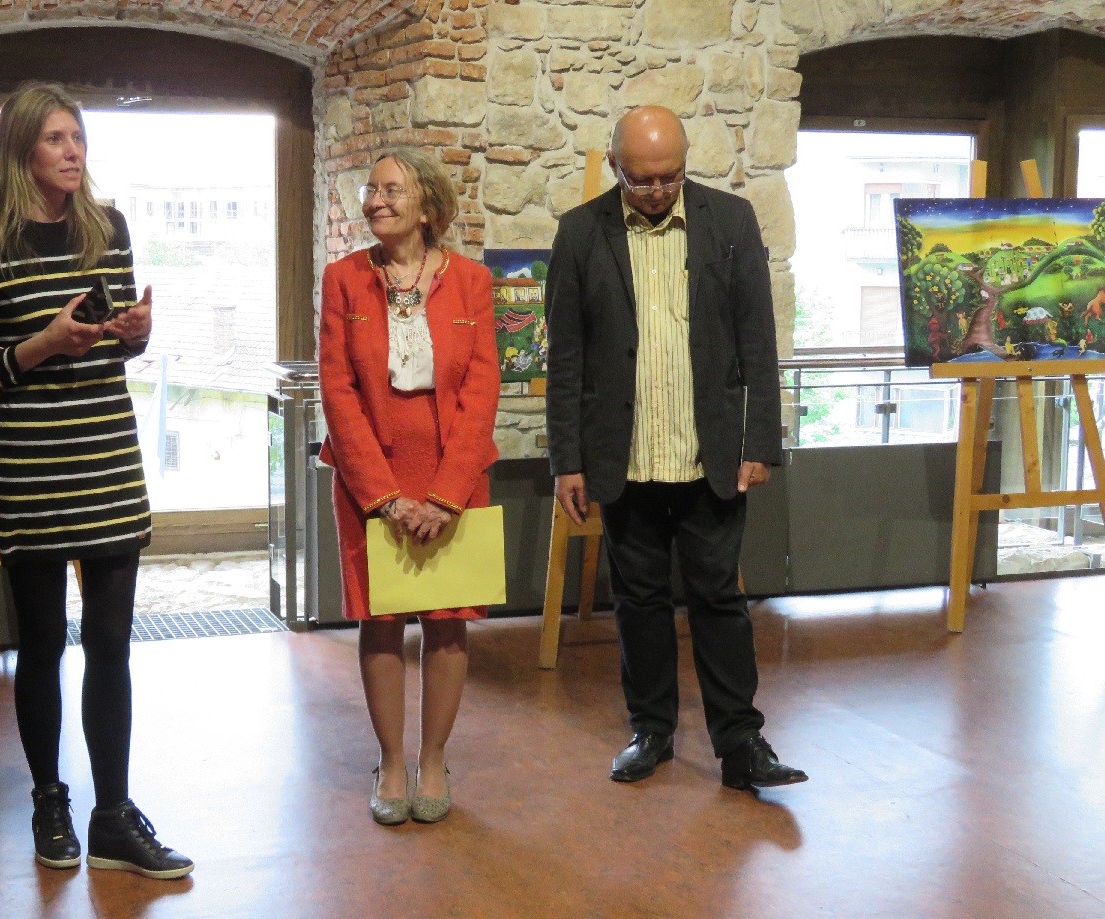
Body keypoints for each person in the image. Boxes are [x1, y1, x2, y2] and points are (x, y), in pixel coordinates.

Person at [0, 82, 193, 878]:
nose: (73, 151)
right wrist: (43, 344)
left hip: (108, 460)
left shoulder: (106, 227)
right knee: (44, 644)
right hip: (34, 468)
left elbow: (113, 344)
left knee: (112, 644)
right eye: (56, 139)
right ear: (22, 149)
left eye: (78, 138)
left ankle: (112, 814)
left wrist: (134, 333)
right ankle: (49, 799)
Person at [545, 105, 806, 791]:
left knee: (719, 597)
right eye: (642, 180)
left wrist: (760, 442)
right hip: (624, 455)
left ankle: (741, 743)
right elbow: (566, 357)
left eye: (671, 176)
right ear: (615, 166)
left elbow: (758, 341)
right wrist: (567, 460)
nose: (659, 191)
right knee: (638, 600)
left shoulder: (731, 221)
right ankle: (651, 730)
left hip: (707, 452)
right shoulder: (580, 233)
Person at [318, 148, 499, 825]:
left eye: (391, 190)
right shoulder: (343, 279)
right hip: (372, 481)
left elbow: (481, 389)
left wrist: (447, 494)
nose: (375, 201)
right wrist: (385, 495)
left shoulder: (472, 281)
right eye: (371, 190)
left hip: (454, 476)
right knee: (381, 621)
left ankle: (434, 760)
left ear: (427, 205)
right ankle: (392, 761)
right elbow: (338, 389)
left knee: (447, 625)